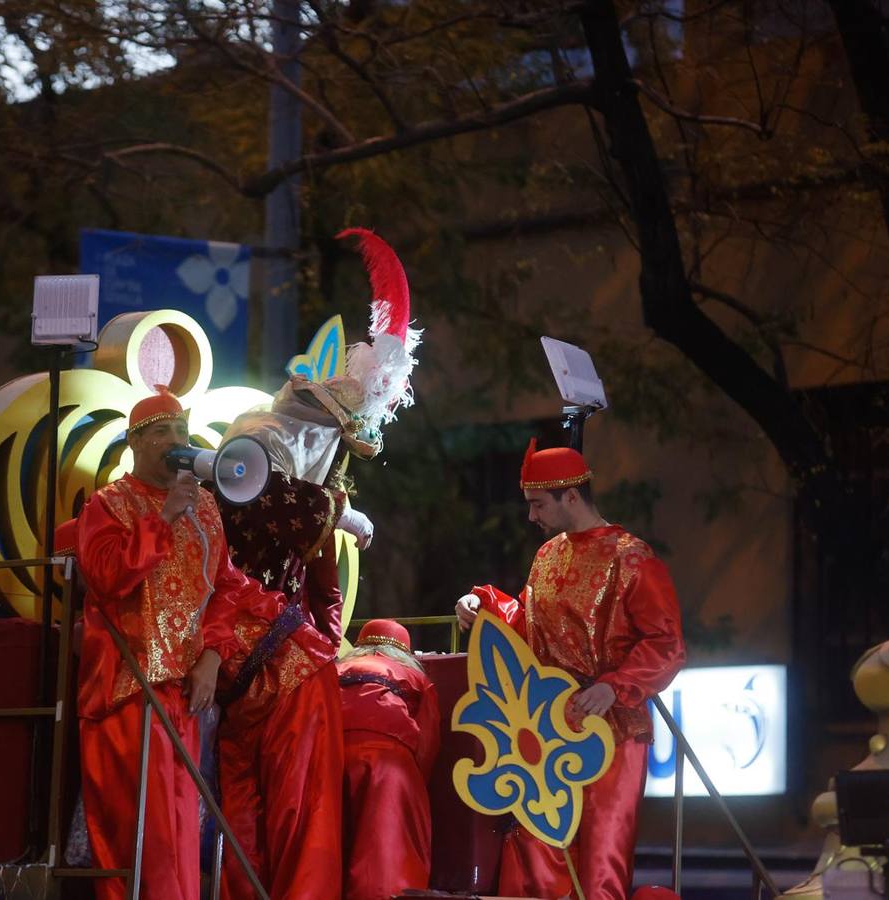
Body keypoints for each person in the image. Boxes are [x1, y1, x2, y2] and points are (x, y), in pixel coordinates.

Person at [201, 227, 423, 900]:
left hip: (256, 654)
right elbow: (285, 510)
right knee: (294, 803)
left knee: (254, 802)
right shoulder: (261, 451)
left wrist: (325, 637)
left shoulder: (295, 469)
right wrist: (340, 515)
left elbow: (319, 576)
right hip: (259, 656)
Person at [455, 439, 687, 900]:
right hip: (546, 725)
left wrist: (614, 688)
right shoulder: (546, 556)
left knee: (602, 857)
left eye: (538, 504)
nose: (531, 517)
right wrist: (484, 606)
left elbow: (667, 642)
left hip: (613, 726)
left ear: (572, 497)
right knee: (540, 848)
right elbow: (529, 625)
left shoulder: (631, 558)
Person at [74, 385, 278, 900]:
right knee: (144, 834)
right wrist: (162, 519)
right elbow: (106, 576)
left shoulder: (206, 507)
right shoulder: (108, 504)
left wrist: (212, 655)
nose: (175, 440)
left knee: (182, 832)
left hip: (185, 695)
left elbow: (226, 588)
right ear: (135, 444)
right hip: (128, 690)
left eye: (182, 431)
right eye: (161, 431)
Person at [336, 620, 439, 900]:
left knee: (329, 847)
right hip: (389, 764)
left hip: (332, 754)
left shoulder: (337, 668)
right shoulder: (415, 676)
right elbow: (427, 744)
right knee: (382, 858)